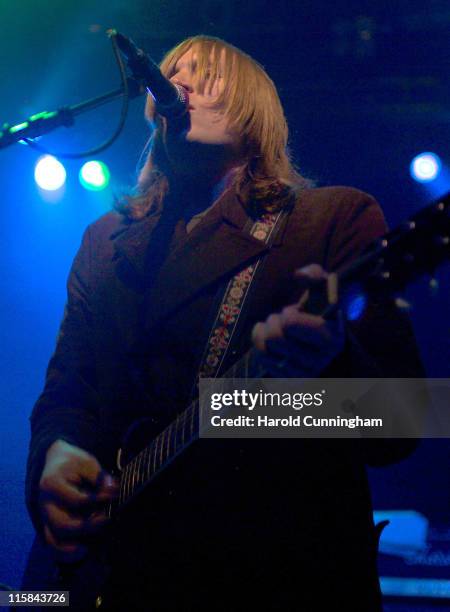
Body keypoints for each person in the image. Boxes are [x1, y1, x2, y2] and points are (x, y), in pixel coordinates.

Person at [24, 36, 424, 610]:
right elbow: (69, 386)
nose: (178, 84)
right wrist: (57, 453)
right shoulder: (105, 242)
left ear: (251, 107)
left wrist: (325, 366)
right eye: (170, 75)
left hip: (271, 578)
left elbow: (403, 422)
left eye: (203, 75)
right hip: (118, 574)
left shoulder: (330, 218)